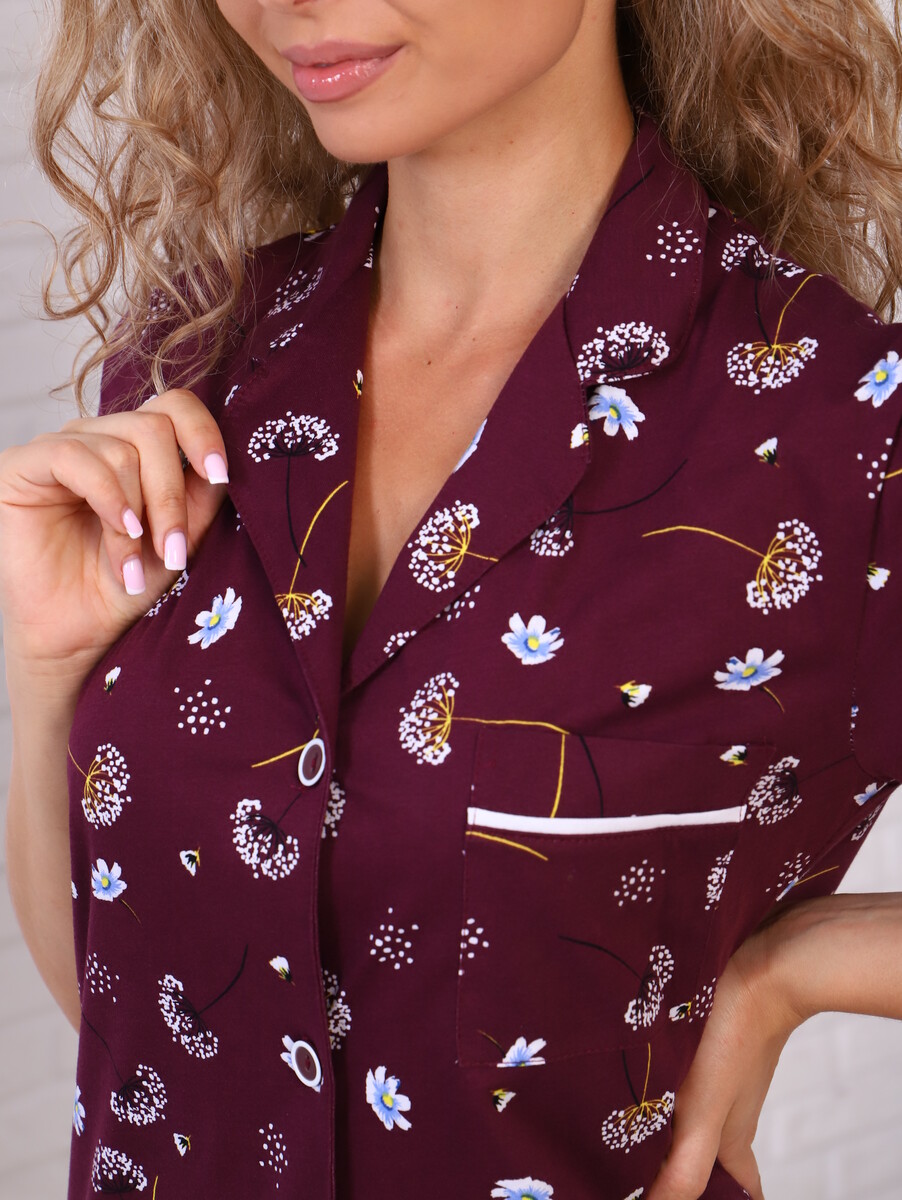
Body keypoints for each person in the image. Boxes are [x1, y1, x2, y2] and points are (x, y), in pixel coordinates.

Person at [2, 1, 902, 1197]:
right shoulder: (202, 356)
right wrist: (45, 672)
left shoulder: (840, 434)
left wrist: (801, 966)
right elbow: (146, 1041)